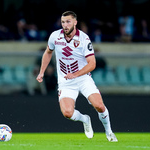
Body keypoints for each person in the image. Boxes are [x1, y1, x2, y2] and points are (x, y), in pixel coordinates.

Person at [36, 11, 118, 142]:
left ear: (75, 22)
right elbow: (48, 52)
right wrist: (42, 72)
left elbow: (92, 64)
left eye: (68, 22)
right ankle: (85, 119)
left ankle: (109, 132)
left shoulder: (84, 39)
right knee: (67, 113)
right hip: (65, 81)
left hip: (83, 78)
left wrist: (75, 74)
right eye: (63, 22)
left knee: (99, 106)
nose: (65, 25)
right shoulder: (55, 36)